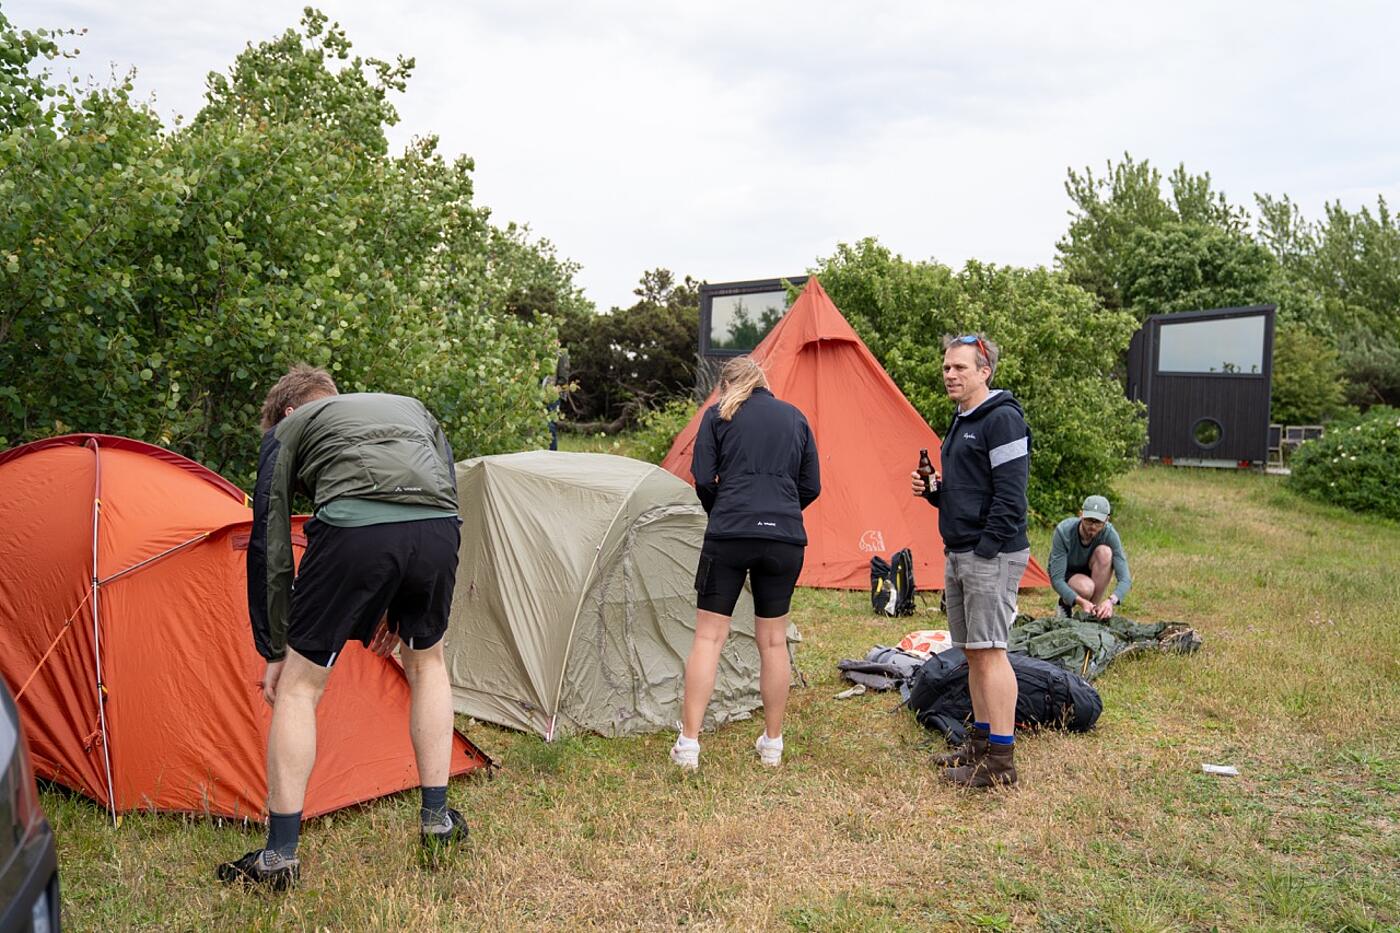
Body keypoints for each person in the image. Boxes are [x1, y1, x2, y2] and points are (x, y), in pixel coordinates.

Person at [217, 365, 467, 890]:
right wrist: (397, 597)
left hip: (357, 531)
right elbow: (442, 487)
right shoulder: (408, 405)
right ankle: (438, 823)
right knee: (427, 664)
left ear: (288, 410)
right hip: (440, 530)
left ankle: (278, 858)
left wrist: (275, 646)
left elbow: (270, 539)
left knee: (299, 689)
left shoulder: (287, 429)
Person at [671, 356, 820, 771]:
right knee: (773, 642)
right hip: (785, 539)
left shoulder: (718, 416)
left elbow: (702, 477)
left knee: (708, 638)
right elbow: (812, 485)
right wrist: (783, 511)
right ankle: (772, 744)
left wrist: (724, 511)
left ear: (725, 385)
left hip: (729, 534)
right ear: (763, 382)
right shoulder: (795, 417)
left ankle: (689, 745)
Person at [910, 334, 1030, 788]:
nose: (950, 375)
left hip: (989, 554)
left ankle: (1001, 763)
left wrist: (984, 549)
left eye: (960, 367)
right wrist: (936, 493)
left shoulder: (1002, 419)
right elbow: (970, 490)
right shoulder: (961, 421)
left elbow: (1011, 495)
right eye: (946, 368)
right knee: (974, 654)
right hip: (959, 550)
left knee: (992, 652)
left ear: (985, 371)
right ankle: (980, 745)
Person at [1047, 495, 1132, 619]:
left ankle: (1093, 610)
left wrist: (1110, 601)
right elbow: (1057, 579)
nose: (1092, 526)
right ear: (1081, 515)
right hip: (1067, 573)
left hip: (1090, 569)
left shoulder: (1110, 534)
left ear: (1106, 520)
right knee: (1086, 588)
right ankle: (1064, 604)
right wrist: (1081, 601)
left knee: (1105, 553)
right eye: (1089, 520)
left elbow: (1125, 578)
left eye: (1098, 522)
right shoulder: (1063, 531)